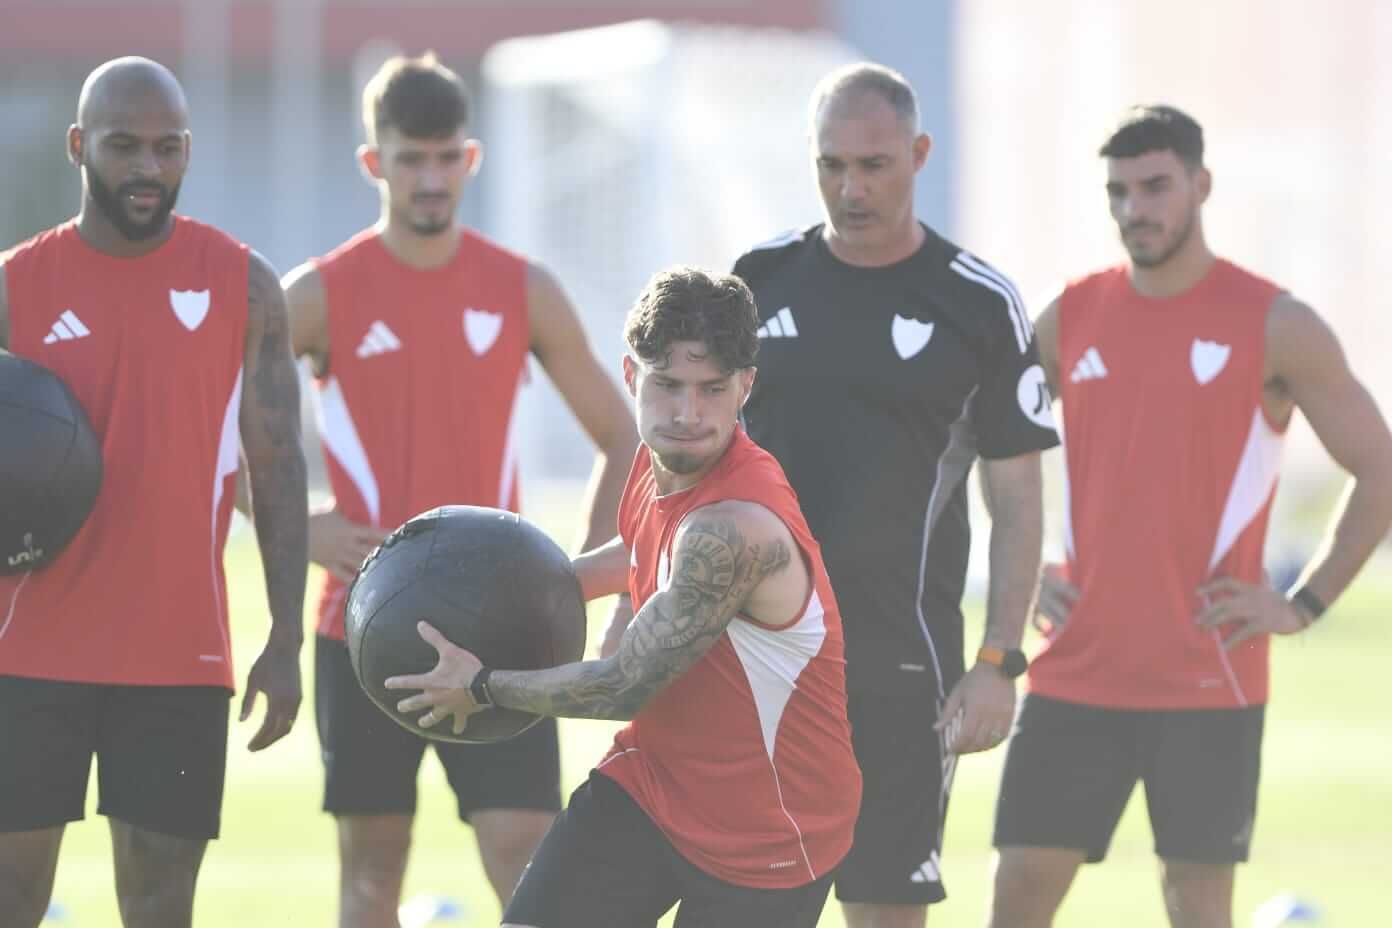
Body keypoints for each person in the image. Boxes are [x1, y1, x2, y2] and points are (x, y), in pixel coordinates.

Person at [988, 105, 1392, 928]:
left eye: (1156, 186)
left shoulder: (1277, 323)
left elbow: (1380, 466)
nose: (1136, 208)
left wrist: (1302, 602)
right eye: (1119, 192)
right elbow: (991, 445)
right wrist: (1029, 575)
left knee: (1197, 908)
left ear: (1200, 185)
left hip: (1211, 673)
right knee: (1019, 894)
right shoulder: (1068, 316)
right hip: (1077, 669)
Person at [384, 266, 863, 928]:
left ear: (744, 387)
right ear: (633, 376)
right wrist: (487, 599)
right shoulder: (658, 456)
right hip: (655, 784)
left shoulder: (733, 528)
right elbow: (637, 554)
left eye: (711, 389)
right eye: (666, 385)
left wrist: (484, 684)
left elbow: (621, 687)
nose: (687, 413)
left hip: (770, 832)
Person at [277, 53, 638, 926]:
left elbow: (626, 435)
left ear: (471, 159)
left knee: (529, 858)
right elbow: (210, 422)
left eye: (447, 158)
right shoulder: (321, 293)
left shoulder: (522, 289)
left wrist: (578, 577)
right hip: (360, 626)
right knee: (371, 872)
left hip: (505, 629)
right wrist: (299, 524)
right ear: (375, 163)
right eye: (411, 158)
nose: (431, 177)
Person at [724, 63, 1058, 927]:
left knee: (884, 911)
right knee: (743, 907)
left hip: (903, 670)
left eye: (874, 165)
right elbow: (690, 456)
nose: (851, 187)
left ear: (918, 153)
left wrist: (997, 663)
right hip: (756, 658)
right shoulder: (756, 282)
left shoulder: (978, 303)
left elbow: (1018, 501)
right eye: (832, 164)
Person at [0, 57, 308, 928]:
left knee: (161, 908)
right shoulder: (14, 284)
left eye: (167, 148)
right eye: (123, 145)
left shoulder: (244, 283)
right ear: (78, 146)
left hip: (177, 656)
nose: (147, 167)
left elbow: (278, 466)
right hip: (25, 654)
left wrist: (286, 637)